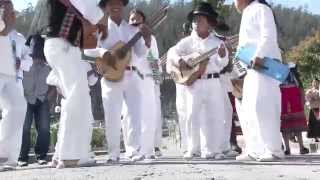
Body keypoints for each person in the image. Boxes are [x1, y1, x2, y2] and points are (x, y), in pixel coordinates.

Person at [85, 0, 151, 163]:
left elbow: (141, 53)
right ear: (105, 7)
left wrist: (147, 39)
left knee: (134, 114)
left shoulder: (132, 28)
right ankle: (113, 153)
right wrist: (103, 51)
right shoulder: (100, 28)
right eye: (110, 3)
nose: (115, 5)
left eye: (119, 2)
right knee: (112, 115)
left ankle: (134, 150)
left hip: (132, 74)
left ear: (123, 6)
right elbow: (87, 50)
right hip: (110, 76)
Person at [42, 0, 105, 168]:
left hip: (65, 46)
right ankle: (69, 155)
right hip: (62, 45)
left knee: (76, 98)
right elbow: (94, 14)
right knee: (77, 97)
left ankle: (64, 153)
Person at [167, 2, 229, 160]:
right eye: (194, 20)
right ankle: (192, 149)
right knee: (191, 115)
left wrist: (222, 55)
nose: (196, 23)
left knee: (215, 115)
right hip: (194, 83)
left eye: (200, 20)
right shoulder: (187, 42)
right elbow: (172, 53)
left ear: (209, 23)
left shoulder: (217, 43)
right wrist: (180, 60)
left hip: (213, 81)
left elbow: (224, 64)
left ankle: (214, 150)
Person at [234, 0, 284, 161]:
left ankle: (274, 150)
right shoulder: (247, 12)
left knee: (264, 106)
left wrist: (259, 55)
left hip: (264, 64)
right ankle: (255, 149)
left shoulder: (261, 8)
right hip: (250, 68)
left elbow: (268, 34)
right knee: (249, 109)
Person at [127, 9, 162, 160]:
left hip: (146, 78)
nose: (134, 21)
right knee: (129, 115)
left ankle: (147, 150)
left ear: (143, 22)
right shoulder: (124, 36)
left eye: (138, 19)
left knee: (148, 114)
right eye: (132, 19)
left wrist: (156, 79)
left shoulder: (151, 38)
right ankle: (132, 149)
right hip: (128, 78)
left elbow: (154, 60)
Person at [18, 34, 53, 167]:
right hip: (25, 98)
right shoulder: (24, 62)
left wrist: (47, 98)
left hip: (42, 99)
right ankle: (22, 158)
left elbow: (53, 84)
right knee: (25, 128)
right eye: (33, 45)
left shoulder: (49, 65)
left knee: (44, 128)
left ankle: (41, 156)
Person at [0, 0, 27, 170]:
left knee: (17, 107)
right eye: (8, 12)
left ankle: (7, 156)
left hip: (11, 76)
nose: (12, 15)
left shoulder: (18, 38)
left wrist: (20, 64)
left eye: (12, 12)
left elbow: (28, 58)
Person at [280, 63, 309, 155]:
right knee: (285, 126)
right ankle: (287, 148)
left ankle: (301, 147)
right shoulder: (277, 72)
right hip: (283, 98)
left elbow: (300, 87)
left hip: (294, 99)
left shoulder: (293, 73)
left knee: (297, 125)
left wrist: (302, 99)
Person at [306, 78, 320, 142]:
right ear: (312, 83)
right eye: (314, 82)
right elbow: (308, 98)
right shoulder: (310, 91)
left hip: (318, 107)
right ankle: (315, 137)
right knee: (314, 123)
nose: (315, 83)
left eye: (316, 82)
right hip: (314, 108)